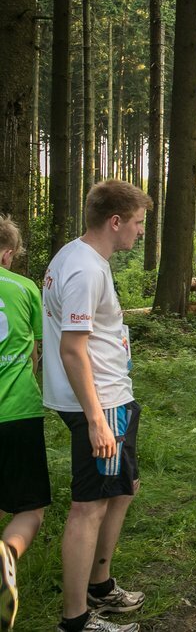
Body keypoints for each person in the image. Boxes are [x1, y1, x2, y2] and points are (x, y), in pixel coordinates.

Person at [43, 180, 152, 632]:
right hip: (100, 402)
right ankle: (76, 619)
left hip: (112, 396)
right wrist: (95, 420)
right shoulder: (85, 268)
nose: (141, 231)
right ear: (115, 221)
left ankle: (100, 585)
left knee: (123, 489)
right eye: (138, 223)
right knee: (88, 506)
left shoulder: (78, 257)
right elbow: (72, 349)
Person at [0, 216, 49, 632]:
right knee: (29, 509)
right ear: (6, 253)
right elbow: (36, 353)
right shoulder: (25, 288)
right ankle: (6, 557)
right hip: (18, 412)